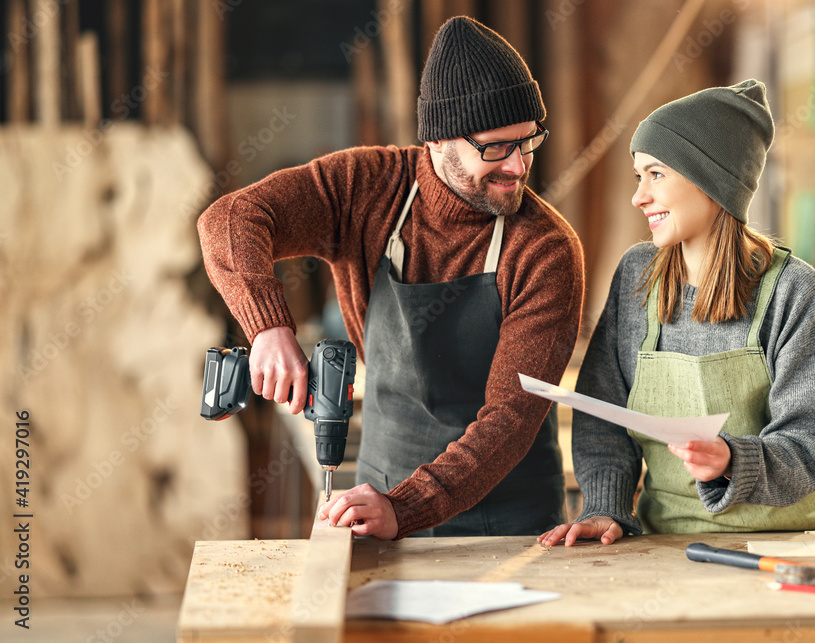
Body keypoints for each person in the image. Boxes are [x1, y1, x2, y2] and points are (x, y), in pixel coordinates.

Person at [198, 16, 584, 540]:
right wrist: (267, 325)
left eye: (528, 142)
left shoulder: (545, 250)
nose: (517, 166)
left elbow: (510, 420)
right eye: (495, 148)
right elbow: (228, 219)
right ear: (439, 139)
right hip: (377, 496)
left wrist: (406, 507)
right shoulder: (365, 188)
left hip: (507, 523)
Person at [538, 79, 815, 547]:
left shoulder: (793, 289)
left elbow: (809, 442)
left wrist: (732, 461)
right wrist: (605, 507)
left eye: (656, 174)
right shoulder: (637, 276)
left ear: (710, 180)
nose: (638, 197)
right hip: (669, 545)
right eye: (638, 176)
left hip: (792, 542)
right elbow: (604, 416)